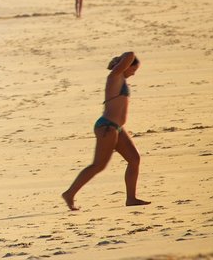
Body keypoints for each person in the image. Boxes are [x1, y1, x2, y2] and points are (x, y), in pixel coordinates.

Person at [62, 52, 150, 211]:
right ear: (125, 66)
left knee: (134, 159)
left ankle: (131, 198)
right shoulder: (114, 76)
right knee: (98, 165)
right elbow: (130, 54)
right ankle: (69, 193)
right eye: (133, 69)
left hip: (117, 128)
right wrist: (120, 61)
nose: (133, 73)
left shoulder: (121, 78)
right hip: (107, 127)